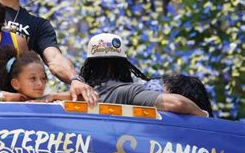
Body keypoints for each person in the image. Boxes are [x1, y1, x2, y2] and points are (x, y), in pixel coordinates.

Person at [79, 33, 209, 116]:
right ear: (123, 64)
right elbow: (177, 104)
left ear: (89, 64)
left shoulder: (85, 94)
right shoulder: (129, 92)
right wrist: (202, 115)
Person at [0, 45, 72, 102]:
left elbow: (83, 97)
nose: (40, 84)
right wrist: (4, 96)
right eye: (33, 78)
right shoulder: (4, 100)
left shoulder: (46, 100)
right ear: (15, 83)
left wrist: (54, 96)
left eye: (43, 78)